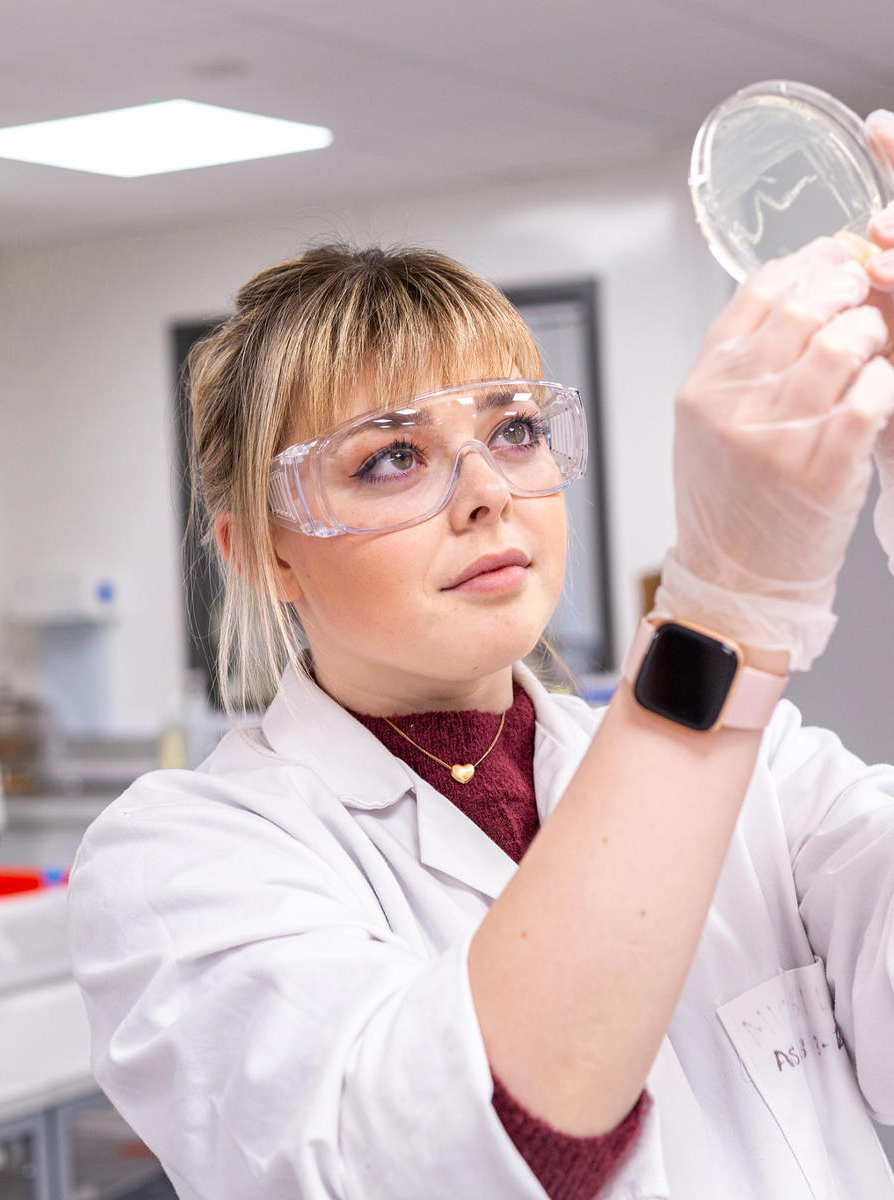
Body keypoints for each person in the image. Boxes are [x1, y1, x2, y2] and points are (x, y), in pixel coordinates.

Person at [68, 121, 894, 1199]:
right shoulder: (183, 865)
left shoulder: (764, 775)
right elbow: (457, 1157)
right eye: (391, 456)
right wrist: (718, 614)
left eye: (512, 430)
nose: (488, 491)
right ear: (261, 550)